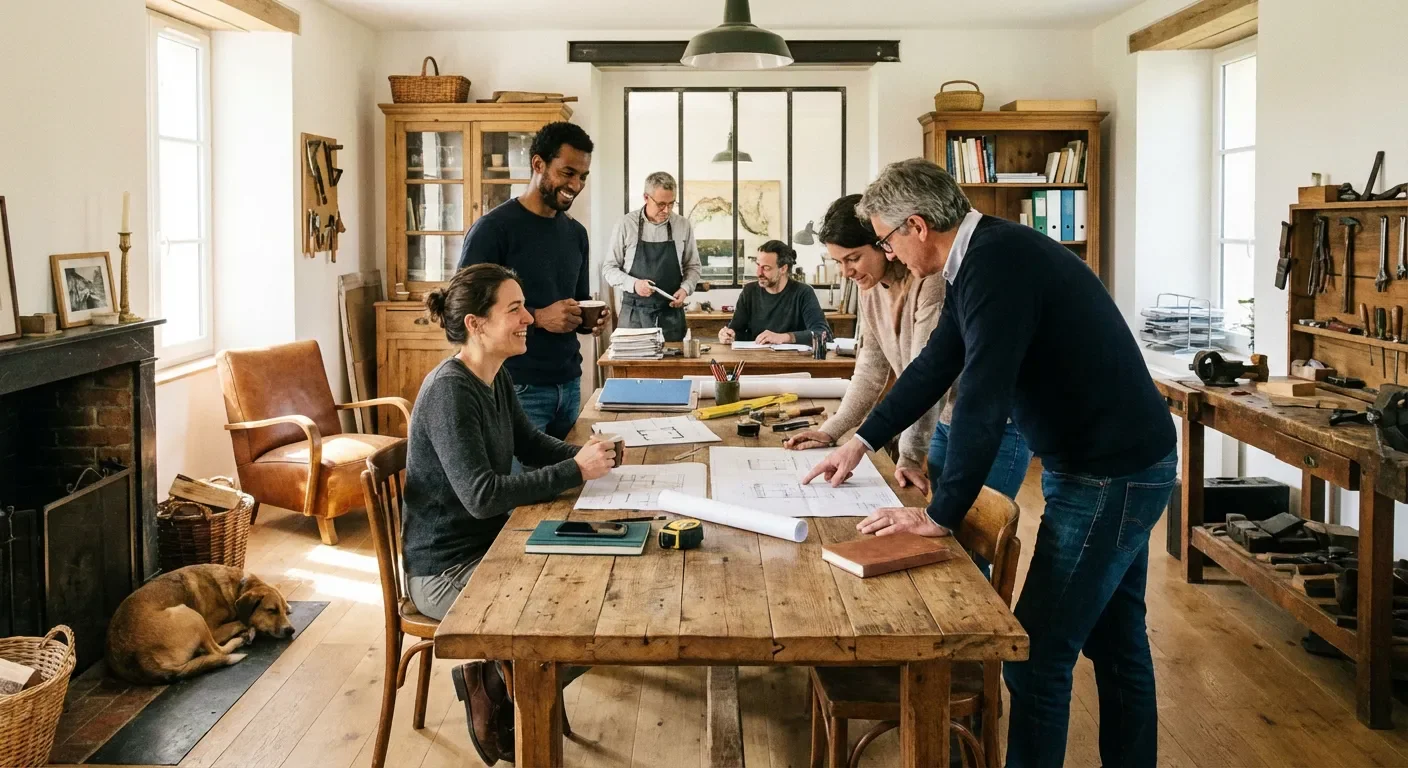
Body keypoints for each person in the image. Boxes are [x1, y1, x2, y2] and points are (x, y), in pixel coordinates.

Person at [803, 159, 1176, 768]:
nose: (888, 253)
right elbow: (933, 367)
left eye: (887, 238)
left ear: (916, 226)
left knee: (1039, 657)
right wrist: (860, 441)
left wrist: (941, 515)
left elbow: (981, 396)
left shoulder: (997, 266)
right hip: (1109, 461)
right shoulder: (983, 257)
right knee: (1116, 640)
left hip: (1112, 473)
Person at [401, 263, 615, 765]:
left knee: (596, 598)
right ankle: (497, 682)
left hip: (489, 546)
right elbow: (480, 494)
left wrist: (588, 454)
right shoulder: (449, 391)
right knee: (579, 623)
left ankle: (493, 680)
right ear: (476, 324)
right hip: (445, 570)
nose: (527, 318)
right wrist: (576, 471)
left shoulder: (494, 376)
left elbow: (531, 444)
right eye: (513, 309)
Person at [782, 194, 1032, 503]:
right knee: (947, 525)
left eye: (853, 258)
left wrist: (911, 456)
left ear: (883, 243)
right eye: (838, 262)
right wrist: (831, 430)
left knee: (969, 534)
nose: (846, 272)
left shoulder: (931, 281)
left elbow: (930, 375)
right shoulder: (870, 286)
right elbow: (871, 367)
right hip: (943, 420)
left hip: (994, 426)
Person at [458, 121, 606, 440]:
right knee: (522, 489)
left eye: (582, 176)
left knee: (567, 488)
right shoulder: (493, 230)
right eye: (567, 173)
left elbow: (575, 303)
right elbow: (461, 317)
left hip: (569, 386)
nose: (576, 185)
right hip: (515, 387)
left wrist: (588, 320)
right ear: (538, 164)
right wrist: (539, 317)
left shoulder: (576, 234)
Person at [603, 171, 701, 341]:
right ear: (646, 197)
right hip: (634, 316)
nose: (667, 210)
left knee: (672, 367)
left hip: (670, 316)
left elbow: (693, 266)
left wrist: (685, 289)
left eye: (671, 204)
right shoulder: (626, 224)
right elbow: (609, 268)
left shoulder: (682, 225)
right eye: (661, 204)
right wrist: (634, 284)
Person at [718, 240, 830, 345]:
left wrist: (783, 337)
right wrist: (728, 335)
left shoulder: (803, 292)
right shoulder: (749, 291)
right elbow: (737, 331)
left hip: (794, 362)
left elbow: (823, 334)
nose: (758, 273)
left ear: (783, 269)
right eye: (758, 266)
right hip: (755, 360)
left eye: (766, 268)